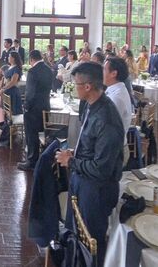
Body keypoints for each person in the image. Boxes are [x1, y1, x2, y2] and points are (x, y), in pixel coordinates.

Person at [54, 62, 124, 266]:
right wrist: (75, 153)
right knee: (77, 235)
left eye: (76, 84)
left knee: (91, 242)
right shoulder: (90, 106)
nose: (73, 87)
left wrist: (71, 161)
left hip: (97, 190)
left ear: (87, 86)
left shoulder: (107, 118)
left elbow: (102, 170)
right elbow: (90, 144)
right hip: (83, 181)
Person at [17, 50, 55, 171]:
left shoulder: (32, 71)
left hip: (33, 109)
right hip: (45, 106)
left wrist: (26, 106)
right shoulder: (49, 69)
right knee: (43, 133)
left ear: (31, 59)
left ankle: (32, 162)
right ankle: (42, 160)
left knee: (31, 135)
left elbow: (30, 93)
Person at [0, 52, 23, 147]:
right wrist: (1, 86)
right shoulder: (10, 66)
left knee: (11, 113)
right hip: (7, 91)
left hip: (12, 92)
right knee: (6, 113)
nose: (8, 57)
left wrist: (3, 89)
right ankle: (9, 132)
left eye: (9, 56)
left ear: (13, 58)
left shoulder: (16, 68)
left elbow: (13, 82)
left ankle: (11, 133)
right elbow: (5, 78)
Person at [103, 57, 133, 133]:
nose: (101, 72)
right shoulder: (115, 89)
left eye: (104, 69)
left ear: (113, 74)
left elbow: (106, 125)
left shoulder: (117, 97)